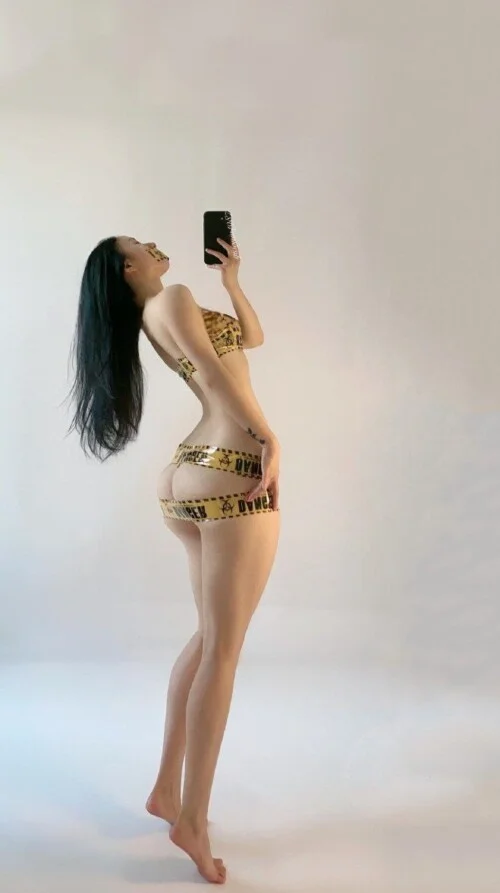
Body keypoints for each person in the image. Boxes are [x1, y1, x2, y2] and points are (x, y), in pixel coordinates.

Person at [69, 234, 281, 884]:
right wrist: (267, 438)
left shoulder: (162, 311)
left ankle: (166, 790)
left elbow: (250, 341)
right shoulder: (174, 300)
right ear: (129, 268)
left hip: (189, 470)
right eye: (142, 245)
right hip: (230, 464)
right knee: (224, 650)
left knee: (210, 638)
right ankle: (192, 818)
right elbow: (215, 376)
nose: (157, 245)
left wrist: (233, 281)